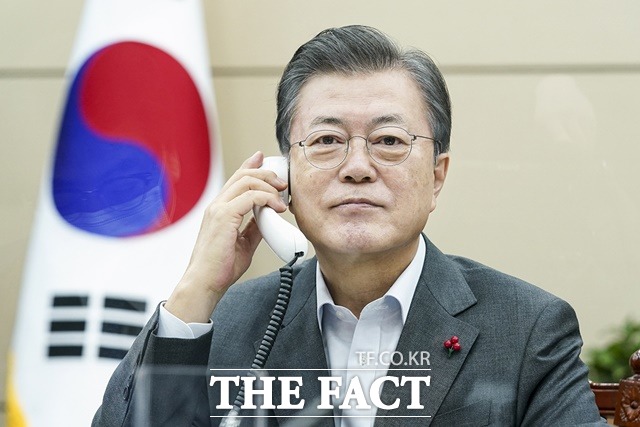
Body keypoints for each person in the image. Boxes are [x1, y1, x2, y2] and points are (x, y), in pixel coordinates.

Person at [93, 25, 605, 426]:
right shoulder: (228, 324)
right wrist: (196, 291)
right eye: (326, 141)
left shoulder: (526, 328)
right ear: (283, 176)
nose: (357, 167)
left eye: (389, 141)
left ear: (436, 177)